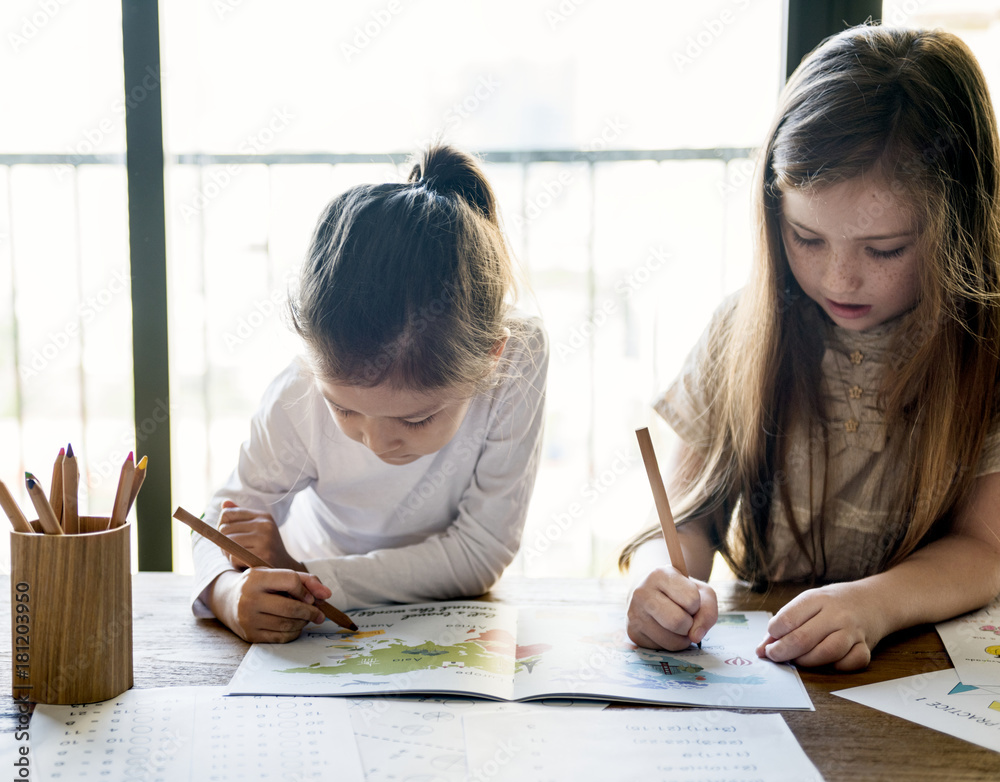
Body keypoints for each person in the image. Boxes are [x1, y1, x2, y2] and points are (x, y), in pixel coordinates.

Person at [621, 25, 1000, 670]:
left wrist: (873, 604)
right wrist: (662, 581)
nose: (838, 279)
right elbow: (685, 520)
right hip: (777, 681)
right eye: (807, 237)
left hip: (924, 674)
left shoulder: (984, 352)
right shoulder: (742, 329)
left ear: (957, 221)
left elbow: (987, 548)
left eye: (884, 249)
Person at [191, 144, 548, 643]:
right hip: (310, 624)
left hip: (378, 606)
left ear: (490, 355)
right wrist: (228, 595)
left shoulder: (518, 361)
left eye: (416, 419)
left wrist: (304, 572)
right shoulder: (300, 391)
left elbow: (480, 552)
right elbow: (217, 522)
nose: (378, 444)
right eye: (343, 408)